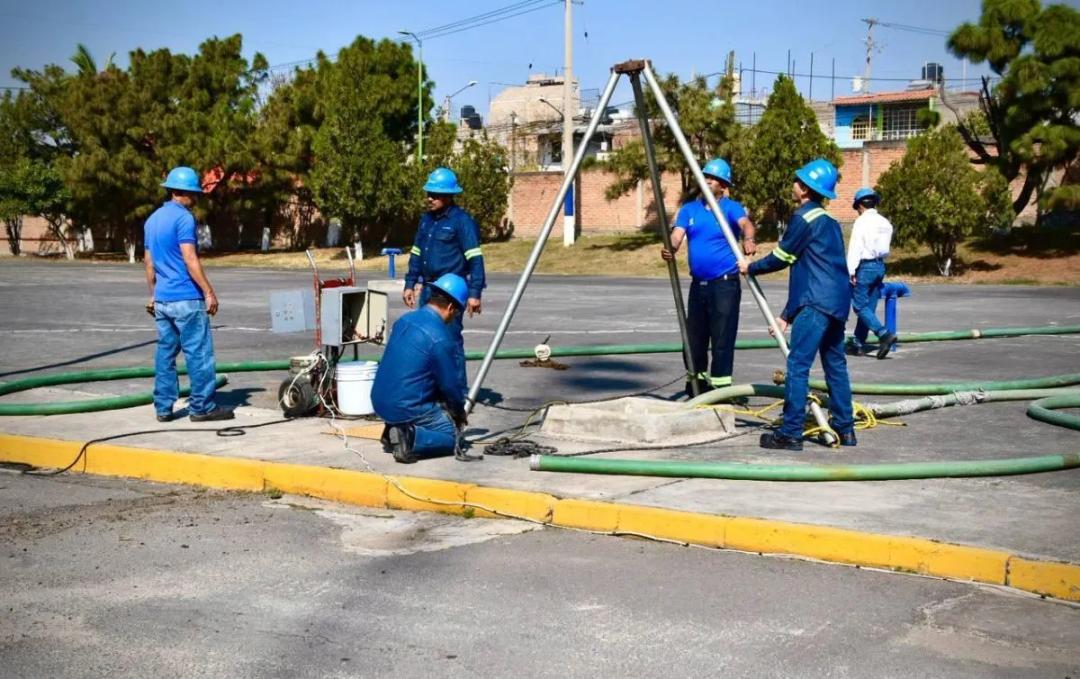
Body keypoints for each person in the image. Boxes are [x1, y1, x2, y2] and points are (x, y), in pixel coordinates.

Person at [737, 159, 855, 451]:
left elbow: (782, 257)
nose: (793, 184)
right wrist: (786, 316)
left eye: (797, 180)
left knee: (798, 365)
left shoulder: (804, 218)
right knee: (835, 366)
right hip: (836, 303)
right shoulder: (829, 222)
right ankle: (845, 428)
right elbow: (811, 270)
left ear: (804, 189)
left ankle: (790, 433)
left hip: (815, 304)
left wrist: (750, 267)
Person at [143, 166, 233, 423]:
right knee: (199, 353)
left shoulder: (152, 220)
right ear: (182, 192)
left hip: (163, 301)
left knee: (165, 354)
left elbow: (149, 264)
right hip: (187, 299)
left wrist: (154, 294)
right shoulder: (184, 218)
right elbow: (190, 258)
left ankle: (163, 407)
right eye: (193, 193)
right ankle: (202, 407)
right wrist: (209, 292)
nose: (195, 198)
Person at [661, 158, 757, 395]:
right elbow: (677, 235)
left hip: (724, 285)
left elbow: (746, 224)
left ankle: (720, 390)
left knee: (722, 339)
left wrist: (748, 239)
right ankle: (697, 385)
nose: (707, 182)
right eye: (705, 177)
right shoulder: (689, 210)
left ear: (723, 186)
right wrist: (670, 247)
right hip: (699, 286)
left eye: (712, 180)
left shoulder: (731, 207)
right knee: (694, 339)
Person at [372, 274, 479, 464]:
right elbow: (449, 385)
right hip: (407, 406)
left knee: (420, 394)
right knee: (452, 437)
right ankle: (409, 436)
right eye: (456, 313)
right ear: (451, 307)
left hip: (379, 400)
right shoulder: (441, 338)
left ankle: (394, 428)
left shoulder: (405, 320)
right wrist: (458, 413)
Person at [403, 167, 486, 393]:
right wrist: (410, 283)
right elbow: (417, 253)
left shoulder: (462, 221)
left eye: (436, 194)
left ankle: (457, 394)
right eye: (429, 193)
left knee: (449, 343)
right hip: (429, 288)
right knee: (428, 341)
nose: (430, 198)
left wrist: (474, 293)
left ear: (450, 196)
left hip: (450, 291)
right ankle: (434, 389)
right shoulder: (426, 221)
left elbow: (475, 258)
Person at [846, 187, 897, 359]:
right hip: (879, 266)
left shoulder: (861, 222)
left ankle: (883, 334)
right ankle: (858, 343)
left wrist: (851, 270)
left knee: (859, 306)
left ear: (860, 205)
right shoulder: (885, 223)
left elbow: (855, 248)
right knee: (869, 307)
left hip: (865, 266)